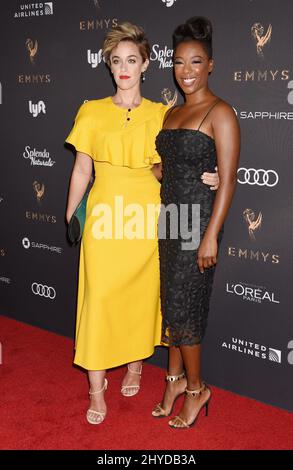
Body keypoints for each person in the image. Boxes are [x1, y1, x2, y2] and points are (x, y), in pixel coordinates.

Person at [65, 22, 219, 425]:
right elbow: (82, 168)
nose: (124, 68)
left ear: (147, 64)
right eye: (116, 61)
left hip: (151, 219)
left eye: (132, 60)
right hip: (104, 217)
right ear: (109, 67)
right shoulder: (91, 111)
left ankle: (135, 366)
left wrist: (212, 175)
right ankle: (96, 390)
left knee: (141, 299)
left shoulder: (163, 115)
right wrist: (71, 211)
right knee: (97, 300)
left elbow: (181, 161)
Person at [152, 16, 240, 428]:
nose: (186, 71)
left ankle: (195, 388)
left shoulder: (221, 112)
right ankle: (172, 380)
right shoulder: (171, 114)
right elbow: (168, 169)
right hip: (170, 220)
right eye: (178, 62)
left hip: (198, 224)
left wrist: (210, 238)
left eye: (195, 62)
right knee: (172, 304)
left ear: (210, 66)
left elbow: (228, 181)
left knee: (186, 310)